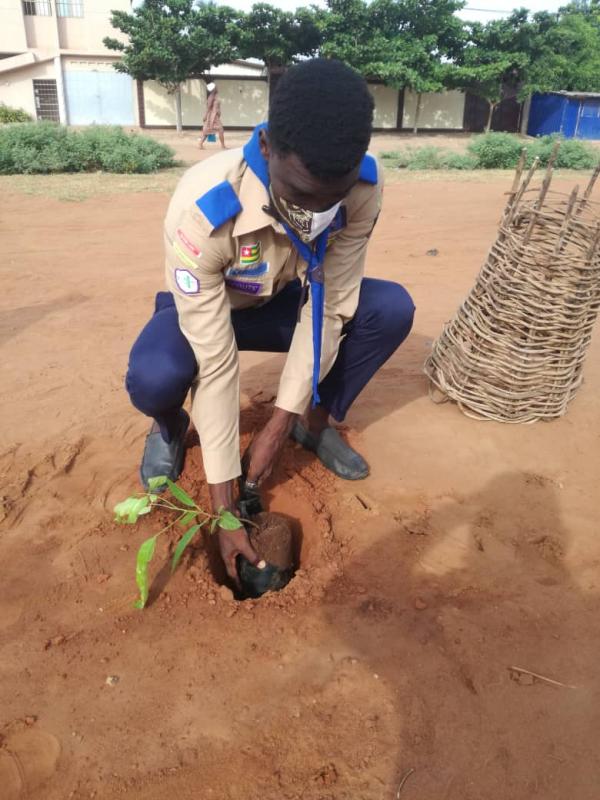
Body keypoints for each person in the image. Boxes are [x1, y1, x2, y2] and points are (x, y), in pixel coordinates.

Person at [126, 59, 415, 585]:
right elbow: (216, 366)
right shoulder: (204, 209)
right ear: (266, 149)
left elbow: (330, 307)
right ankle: (169, 428)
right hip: (209, 311)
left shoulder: (362, 191)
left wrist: (280, 424)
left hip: (279, 303)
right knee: (154, 376)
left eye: (332, 198)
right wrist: (225, 502)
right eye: (301, 196)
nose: (316, 213)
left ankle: (316, 422)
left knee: (388, 308)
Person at [198, 82, 226, 150]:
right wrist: (205, 116)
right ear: (213, 89)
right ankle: (222, 146)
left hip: (215, 116)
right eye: (216, 87)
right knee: (220, 129)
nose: (217, 88)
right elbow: (208, 107)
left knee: (208, 131)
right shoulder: (211, 97)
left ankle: (200, 144)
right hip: (212, 117)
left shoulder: (214, 96)